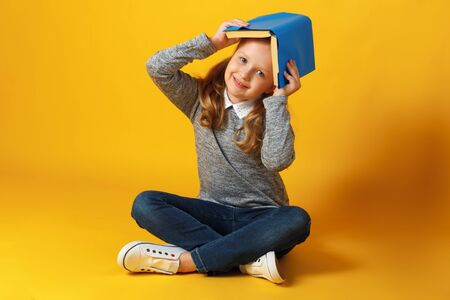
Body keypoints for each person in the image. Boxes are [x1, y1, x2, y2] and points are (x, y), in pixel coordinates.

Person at [117, 18, 311, 284]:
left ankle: (190, 261)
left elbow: (277, 161)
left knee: (297, 219)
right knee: (145, 203)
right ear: (231, 55)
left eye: (261, 73)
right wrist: (211, 43)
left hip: (262, 220)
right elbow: (157, 67)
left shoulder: (270, 115)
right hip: (212, 214)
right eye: (242, 60)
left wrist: (279, 102)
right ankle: (244, 260)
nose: (245, 75)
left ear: (271, 85)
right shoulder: (199, 99)